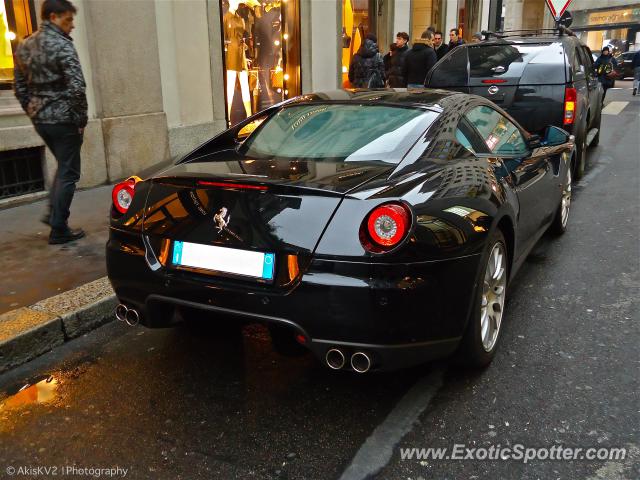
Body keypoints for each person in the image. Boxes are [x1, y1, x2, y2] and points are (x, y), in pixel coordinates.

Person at [14, 0, 87, 245]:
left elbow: (20, 87)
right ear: (53, 17)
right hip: (64, 119)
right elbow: (77, 87)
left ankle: (53, 213)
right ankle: (59, 228)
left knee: (63, 167)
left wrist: (33, 110)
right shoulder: (62, 45)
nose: (72, 25)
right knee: (69, 171)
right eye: (68, 20)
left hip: (41, 119)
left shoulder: (24, 44)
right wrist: (80, 120)